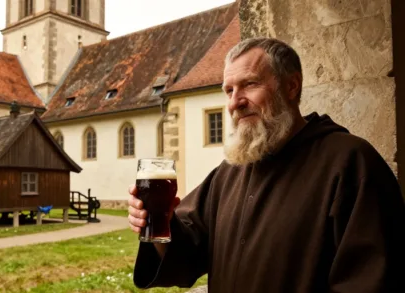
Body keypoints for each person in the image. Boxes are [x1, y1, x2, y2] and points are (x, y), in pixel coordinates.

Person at [127, 37, 405, 293]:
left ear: (291, 86)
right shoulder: (230, 172)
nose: (235, 102)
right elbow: (187, 250)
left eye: (249, 84)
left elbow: (372, 281)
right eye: (228, 90)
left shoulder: (350, 163)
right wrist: (154, 223)